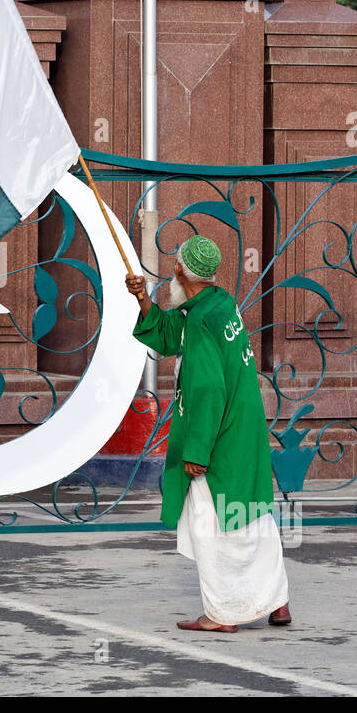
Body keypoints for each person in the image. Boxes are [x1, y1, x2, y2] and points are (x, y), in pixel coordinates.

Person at [125, 235, 291, 634]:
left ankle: (221, 615)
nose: (172, 269)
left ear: (180, 270)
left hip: (217, 431)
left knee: (211, 521)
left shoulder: (200, 320)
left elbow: (208, 389)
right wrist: (143, 300)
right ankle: (278, 601)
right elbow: (171, 333)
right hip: (244, 427)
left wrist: (198, 449)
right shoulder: (218, 303)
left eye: (175, 263)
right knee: (251, 513)